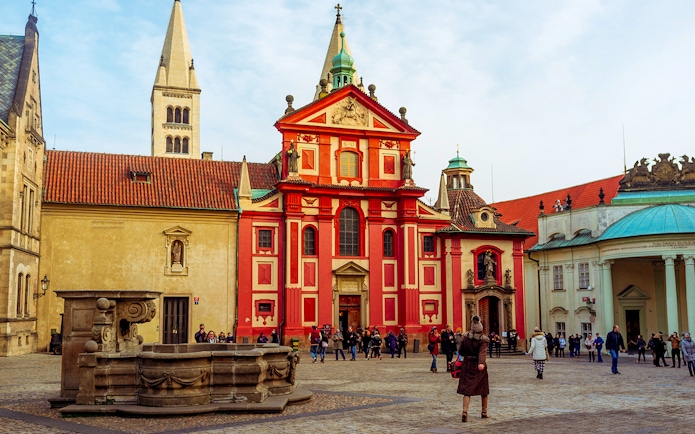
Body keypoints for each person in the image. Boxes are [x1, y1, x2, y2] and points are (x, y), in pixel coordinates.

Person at [456, 315, 489, 422]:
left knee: (467, 390)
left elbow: (460, 351)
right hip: (478, 366)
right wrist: (481, 363)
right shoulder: (482, 340)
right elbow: (482, 353)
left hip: (467, 364)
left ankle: (465, 411)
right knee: (484, 390)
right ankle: (484, 412)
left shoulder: (466, 337)